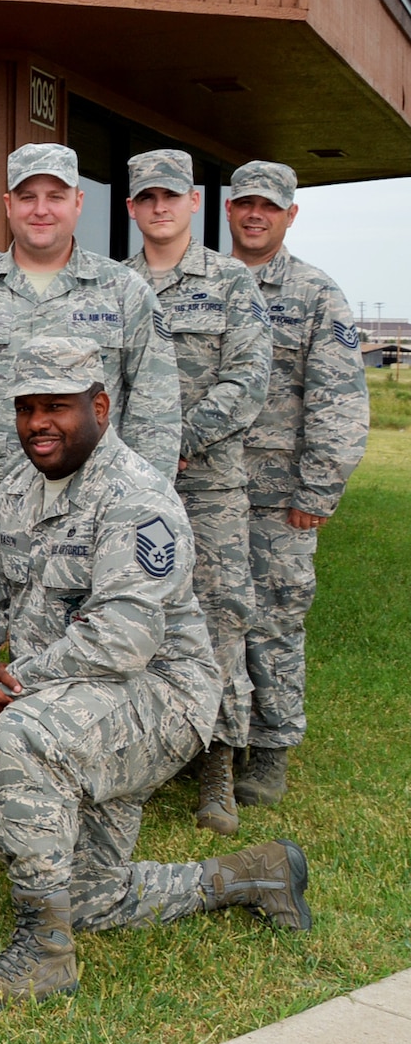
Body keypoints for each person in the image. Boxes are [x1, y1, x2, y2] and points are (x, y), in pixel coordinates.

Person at [0, 336, 311, 1009]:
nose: (38, 423)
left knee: (21, 737)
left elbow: (121, 638)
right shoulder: (16, 490)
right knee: (90, 897)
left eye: (56, 406)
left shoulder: (137, 497)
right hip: (75, 698)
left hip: (157, 696)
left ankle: (44, 955)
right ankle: (252, 876)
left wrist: (12, 680)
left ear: (100, 407)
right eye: (27, 408)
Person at [0, 139, 181, 627]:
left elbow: (155, 407)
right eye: (27, 196)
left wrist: (147, 504)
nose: (41, 210)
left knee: (81, 652)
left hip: (94, 511)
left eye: (55, 196)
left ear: (78, 203)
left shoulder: (124, 292)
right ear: (8, 205)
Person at [125, 149, 271, 833]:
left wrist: (173, 442)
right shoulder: (113, 286)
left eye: (171, 196)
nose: (159, 207)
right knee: (134, 613)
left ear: (192, 204)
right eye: (147, 197)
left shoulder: (232, 283)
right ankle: (151, 751)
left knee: (218, 618)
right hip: (128, 488)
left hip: (207, 485)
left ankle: (217, 761)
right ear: (131, 208)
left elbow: (247, 382)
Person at [225, 160, 369, 807]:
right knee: (207, 622)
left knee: (274, 621)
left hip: (278, 499)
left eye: (269, 206)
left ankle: (272, 748)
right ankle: (212, 743)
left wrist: (317, 493)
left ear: (290, 215)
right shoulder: (205, 284)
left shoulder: (316, 294)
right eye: (245, 203)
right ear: (228, 209)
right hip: (202, 493)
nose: (256, 214)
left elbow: (339, 400)